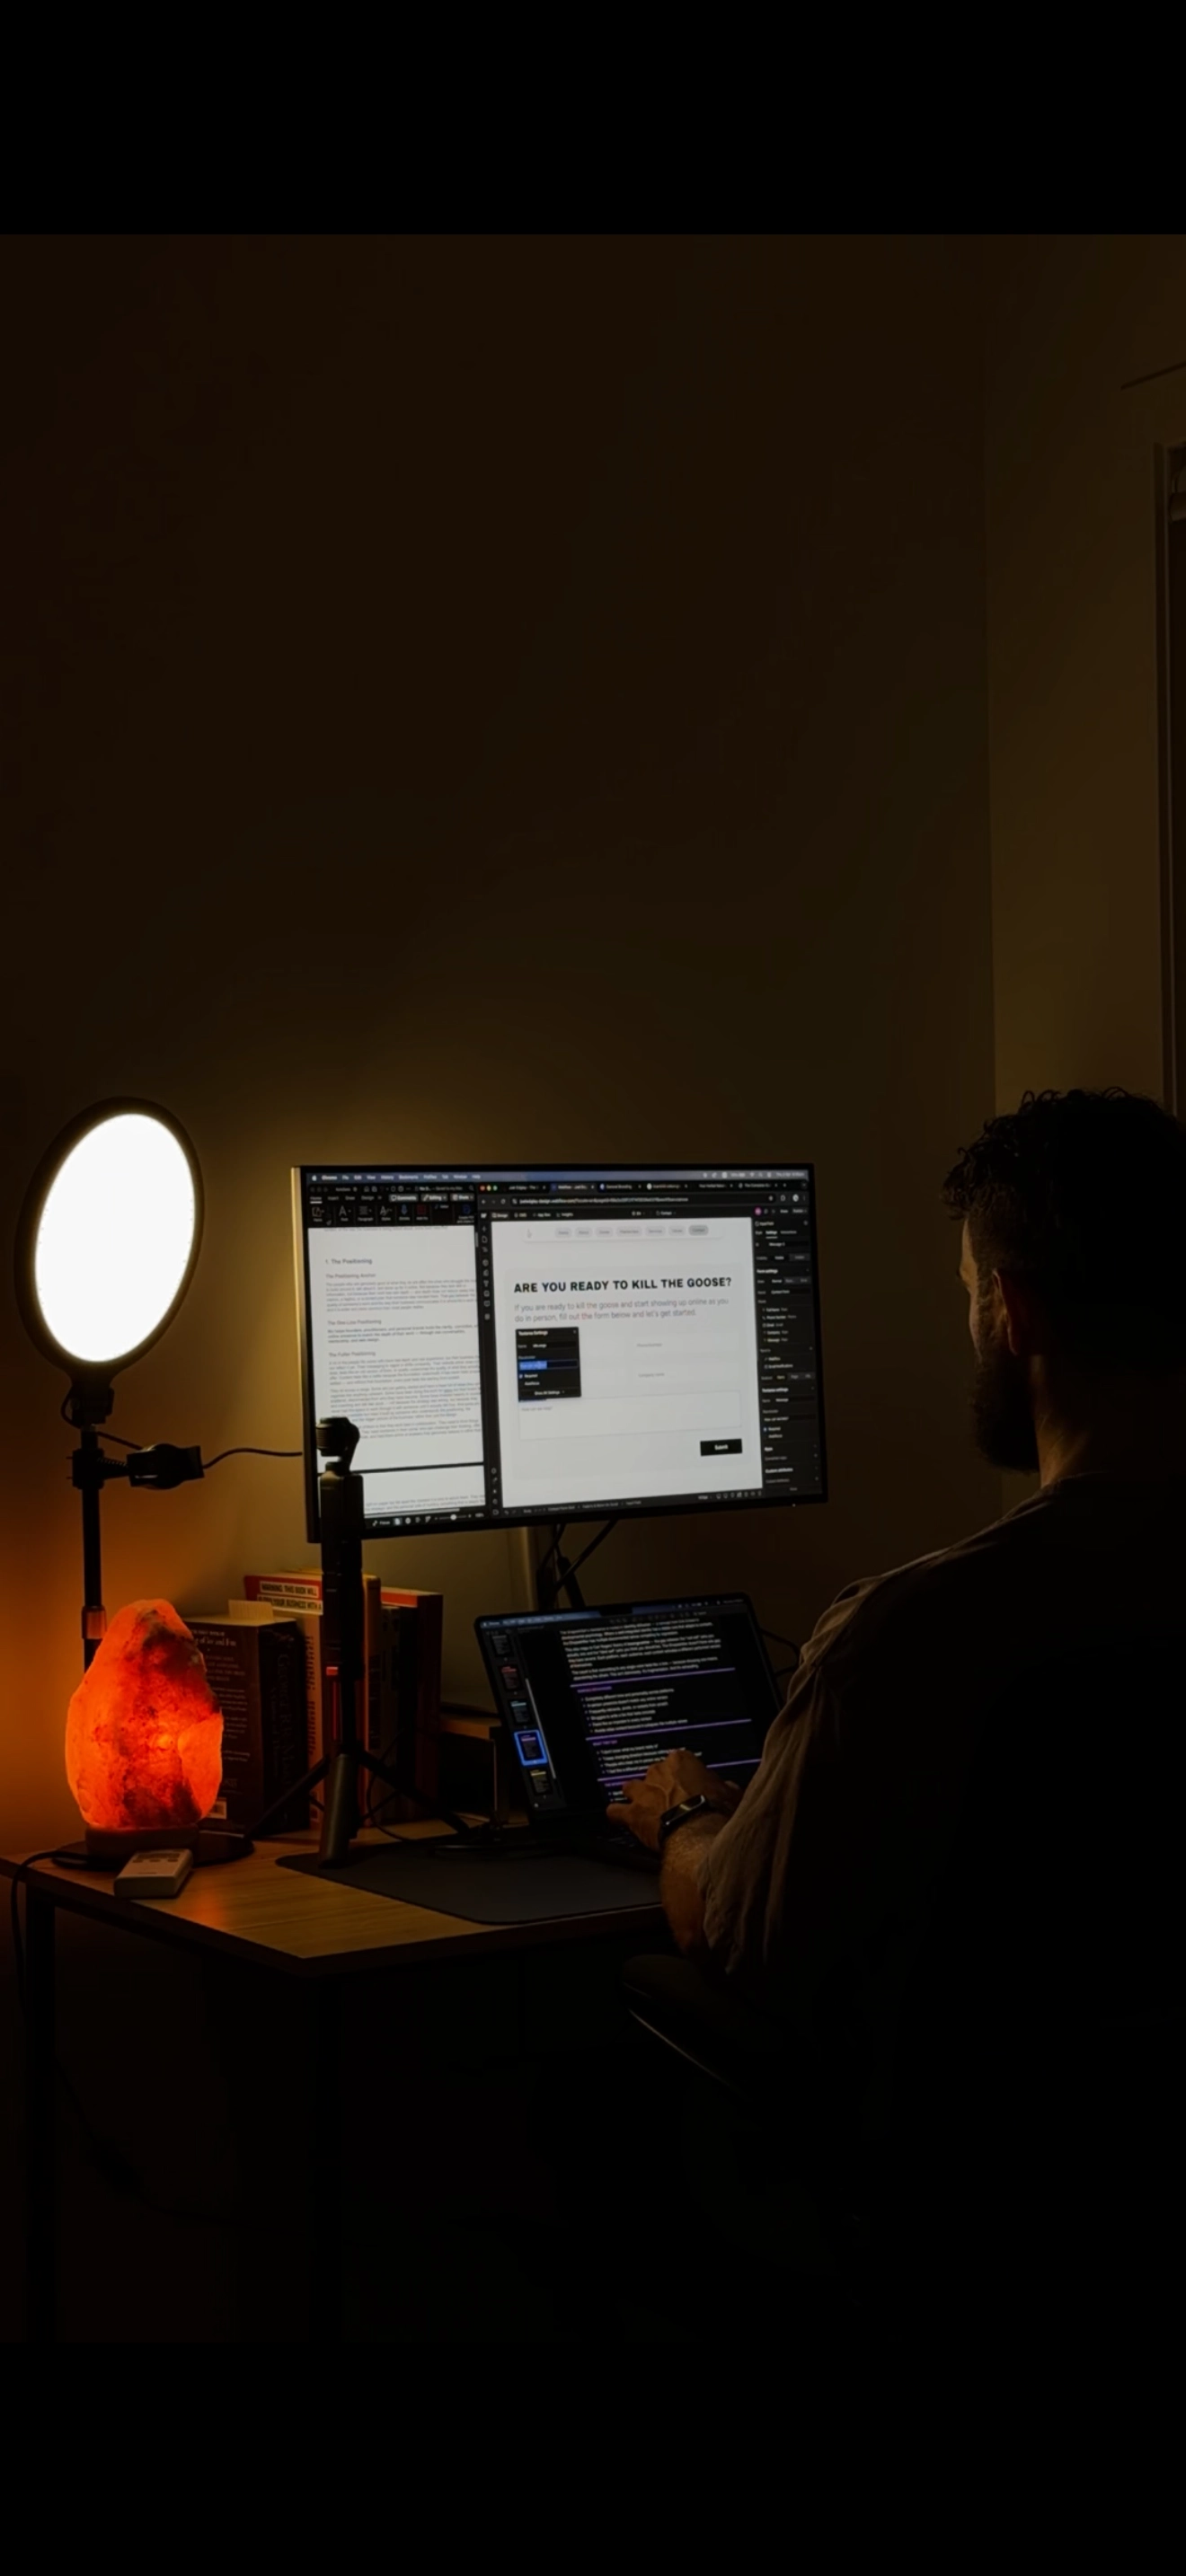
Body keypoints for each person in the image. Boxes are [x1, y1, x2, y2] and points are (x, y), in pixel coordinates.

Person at [608, 1087, 1186, 2123]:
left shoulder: (910, 1634)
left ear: (1015, 1312)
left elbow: (740, 1940)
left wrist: (689, 1818)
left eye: (970, 1291)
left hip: (958, 2184)